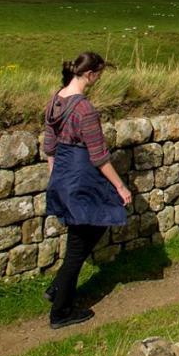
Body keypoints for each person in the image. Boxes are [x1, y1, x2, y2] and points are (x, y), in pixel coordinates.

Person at [43, 52, 132, 328]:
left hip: (62, 174)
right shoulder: (85, 110)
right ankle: (61, 312)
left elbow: (49, 146)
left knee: (82, 236)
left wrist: (54, 177)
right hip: (82, 177)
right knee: (80, 244)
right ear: (90, 75)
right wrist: (120, 186)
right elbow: (99, 156)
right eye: (99, 76)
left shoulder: (55, 100)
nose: (98, 80)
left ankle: (57, 288)